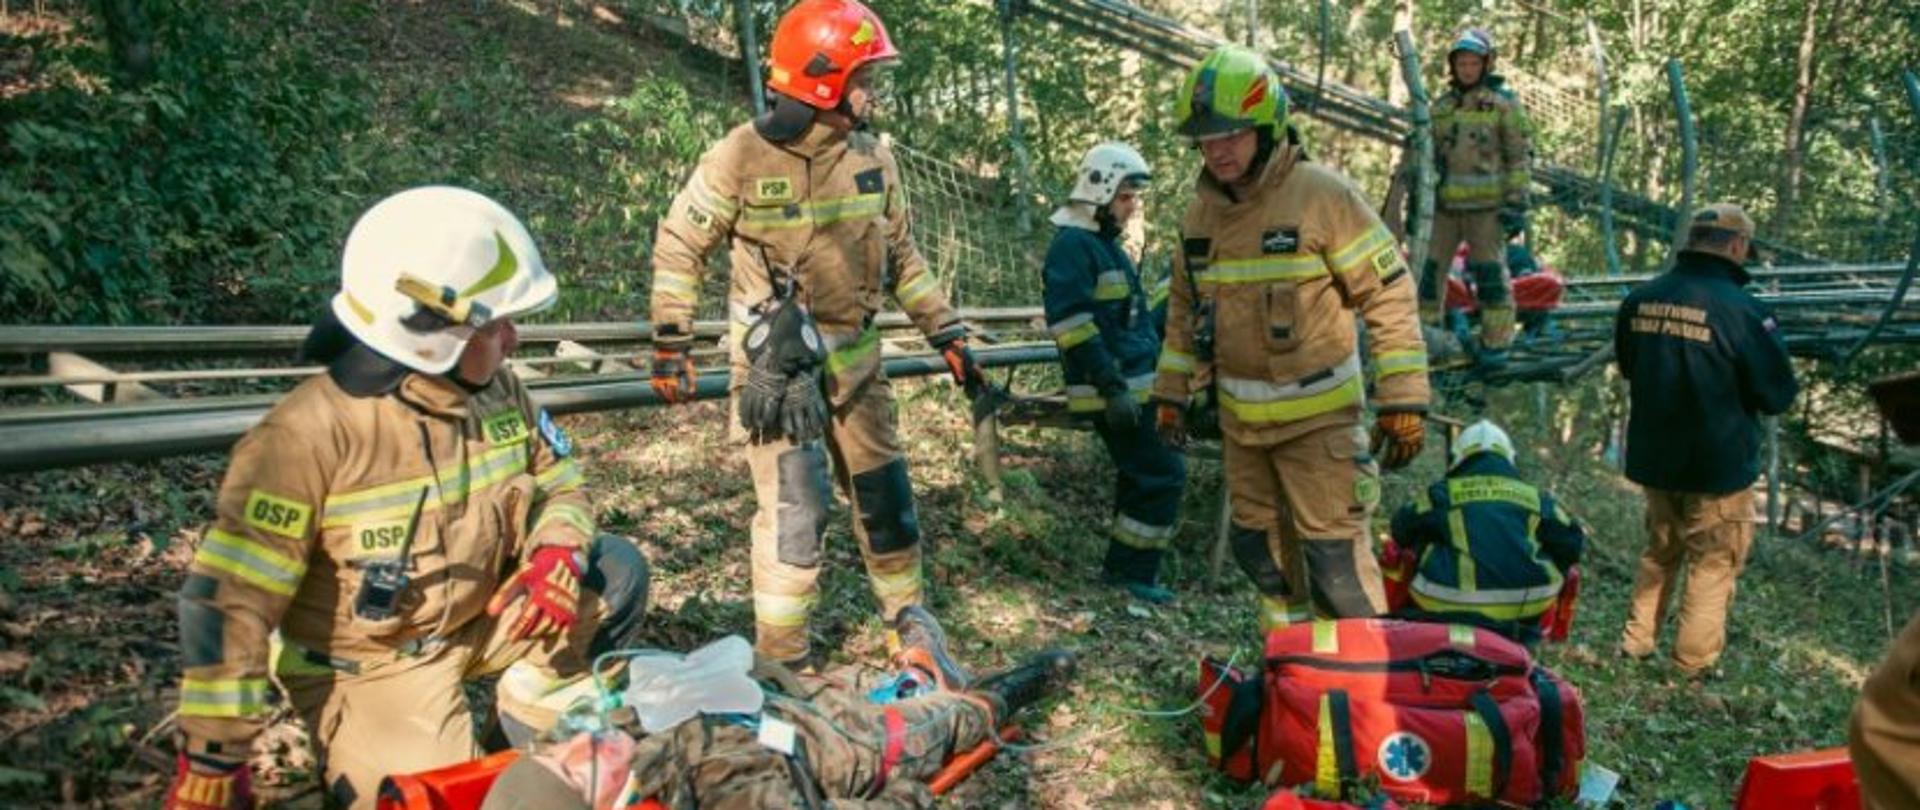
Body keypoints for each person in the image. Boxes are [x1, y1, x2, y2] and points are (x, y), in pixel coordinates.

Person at [162, 187, 651, 810]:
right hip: (373, 668)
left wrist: (556, 552)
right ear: (430, 335)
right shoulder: (305, 438)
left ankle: (522, 727)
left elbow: (560, 481)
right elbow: (232, 601)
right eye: (494, 325)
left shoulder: (499, 393)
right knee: (438, 799)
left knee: (614, 572)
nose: (513, 339)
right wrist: (213, 753)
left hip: (480, 620)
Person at [644, 0, 985, 667]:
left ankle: (910, 635)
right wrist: (670, 339)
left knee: (887, 501)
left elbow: (902, 257)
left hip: (859, 372)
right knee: (796, 516)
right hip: (777, 378)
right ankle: (784, 662)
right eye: (865, 78)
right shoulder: (741, 156)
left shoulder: (874, 159)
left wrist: (945, 331)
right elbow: (681, 243)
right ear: (825, 82)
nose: (872, 92)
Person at [1153, 45, 1431, 633]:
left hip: (1320, 426)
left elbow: (1388, 292)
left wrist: (1403, 398)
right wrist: (1171, 394)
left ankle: (1362, 683)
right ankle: (1293, 670)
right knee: (1261, 555)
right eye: (1206, 139)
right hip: (1242, 430)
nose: (1218, 150)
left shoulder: (1322, 196)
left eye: (1231, 134)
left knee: (1337, 569)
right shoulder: (1200, 218)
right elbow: (1182, 313)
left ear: (1266, 126)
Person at [481, 608, 1076, 809]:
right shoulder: (723, 789)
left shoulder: (594, 741)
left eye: (559, 749)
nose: (582, 744)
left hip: (781, 696)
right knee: (945, 720)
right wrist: (906, 794)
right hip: (851, 744)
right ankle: (992, 692)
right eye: (574, 771)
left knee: (856, 683)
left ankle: (919, 672)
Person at [1614, 202, 1799, 678]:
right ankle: (1690, 668)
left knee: (1660, 553)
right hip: (1718, 467)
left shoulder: (1640, 300)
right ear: (1737, 246)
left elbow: (1631, 367)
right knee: (1713, 565)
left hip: (1656, 459)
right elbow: (1777, 395)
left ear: (1692, 240)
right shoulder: (1746, 312)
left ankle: (1635, 644)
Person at [1041, 142, 1187, 603]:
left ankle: (1124, 572)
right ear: (1099, 193)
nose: (1133, 206)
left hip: (1134, 387)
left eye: (1134, 197)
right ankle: (1132, 575)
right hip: (1111, 390)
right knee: (1162, 474)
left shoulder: (1104, 246)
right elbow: (1072, 325)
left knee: (1143, 475)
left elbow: (1130, 324)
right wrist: (1111, 387)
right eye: (1125, 197)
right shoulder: (1073, 247)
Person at [1389, 419, 1584, 645]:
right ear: (1509, 458)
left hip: (1445, 602)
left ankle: (1401, 632)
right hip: (1528, 606)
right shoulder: (1537, 499)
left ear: (1458, 457)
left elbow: (1401, 530)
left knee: (1411, 545)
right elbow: (1573, 545)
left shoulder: (1442, 494)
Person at [1421, 27, 1533, 367]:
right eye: (1462, 64)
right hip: (1444, 209)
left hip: (1487, 210)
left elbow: (1519, 157)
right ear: (1453, 66)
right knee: (1428, 274)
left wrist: (1516, 203)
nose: (1467, 70)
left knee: (1490, 277)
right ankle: (1424, 337)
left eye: (1473, 63)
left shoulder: (1503, 105)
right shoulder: (1442, 107)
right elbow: (1423, 155)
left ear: (1486, 65)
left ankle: (1496, 343)